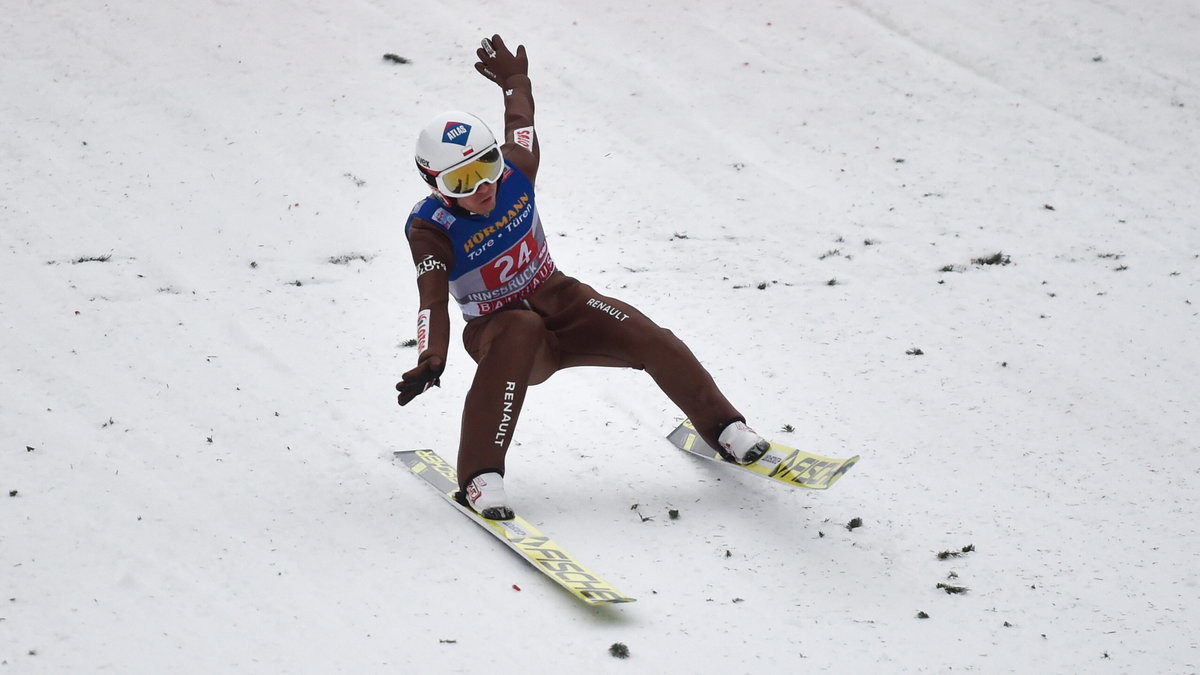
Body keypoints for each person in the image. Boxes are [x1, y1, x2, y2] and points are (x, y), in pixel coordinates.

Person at [396, 35, 768, 520]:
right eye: (462, 182)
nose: (484, 187)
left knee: (649, 336)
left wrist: (515, 81)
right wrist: (432, 355)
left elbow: (521, 121)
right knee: (522, 326)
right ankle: (480, 477)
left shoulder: (516, 171)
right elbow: (431, 299)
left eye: (488, 166)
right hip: (501, 333)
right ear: (436, 186)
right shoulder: (431, 228)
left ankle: (724, 429)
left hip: (562, 302)